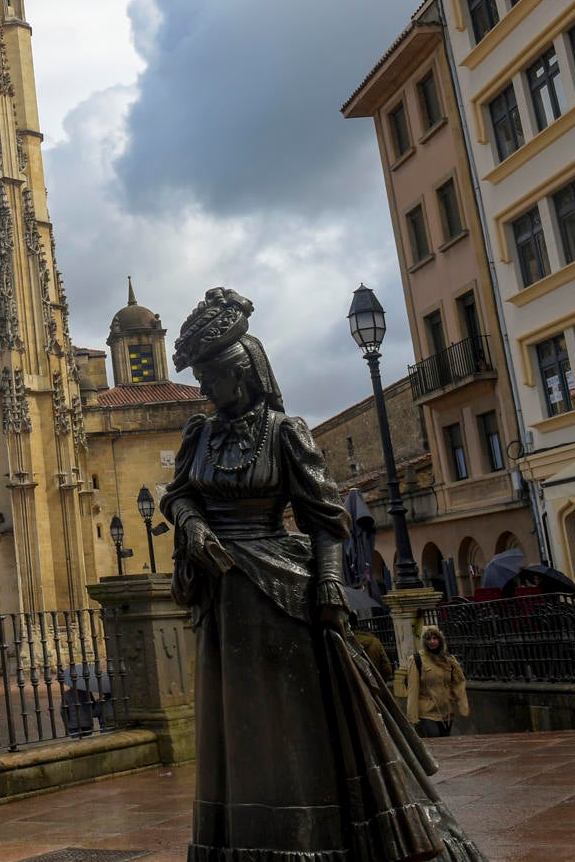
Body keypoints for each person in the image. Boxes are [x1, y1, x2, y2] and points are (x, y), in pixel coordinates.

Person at [161, 288, 485, 862]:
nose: (204, 389)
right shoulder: (200, 435)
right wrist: (192, 527)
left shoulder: (286, 432)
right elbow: (178, 497)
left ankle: (305, 838)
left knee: (289, 724)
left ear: (243, 374)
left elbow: (326, 519)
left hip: (279, 596)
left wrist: (331, 582)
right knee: (235, 728)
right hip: (224, 595)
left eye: (211, 377)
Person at [402, 625, 471, 739]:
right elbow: (413, 689)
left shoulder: (449, 659)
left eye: (435, 638)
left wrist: (463, 705)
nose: (432, 642)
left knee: (445, 740)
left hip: (446, 711)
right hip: (426, 710)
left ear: (440, 639)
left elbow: (458, 682)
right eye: (429, 639)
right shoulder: (416, 660)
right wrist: (412, 716)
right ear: (424, 641)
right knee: (434, 736)